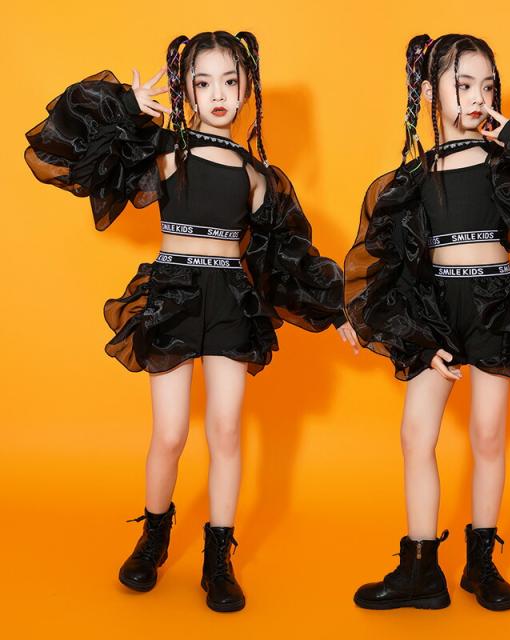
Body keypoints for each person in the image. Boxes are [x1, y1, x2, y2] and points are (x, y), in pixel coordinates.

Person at [24, 30, 357, 613]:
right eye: (204, 83)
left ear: (248, 88)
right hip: (174, 292)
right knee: (171, 432)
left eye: (231, 81)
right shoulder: (166, 152)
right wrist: (123, 106)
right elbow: (70, 153)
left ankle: (218, 556)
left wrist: (336, 313)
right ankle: (153, 536)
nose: (219, 94)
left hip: (230, 298)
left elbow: (286, 257)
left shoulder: (257, 175)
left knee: (225, 430)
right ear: (186, 89)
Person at [343, 32, 510, 612]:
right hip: (434, 307)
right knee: (416, 434)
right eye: (462, 84)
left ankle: (481, 562)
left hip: (493, 300)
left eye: (487, 86)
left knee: (489, 433)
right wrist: (411, 336)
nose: (476, 97)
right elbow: (389, 263)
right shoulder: (412, 178)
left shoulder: (507, 163)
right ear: (428, 92)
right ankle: (421, 568)